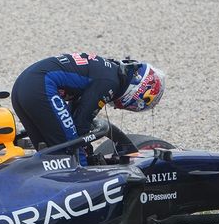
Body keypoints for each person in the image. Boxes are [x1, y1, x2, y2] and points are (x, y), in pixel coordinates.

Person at [10, 52, 165, 162]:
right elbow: (82, 121)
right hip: (40, 85)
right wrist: (85, 152)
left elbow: (73, 113)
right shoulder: (110, 82)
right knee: (74, 152)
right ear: (141, 89)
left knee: (48, 154)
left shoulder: (107, 70)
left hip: (21, 87)